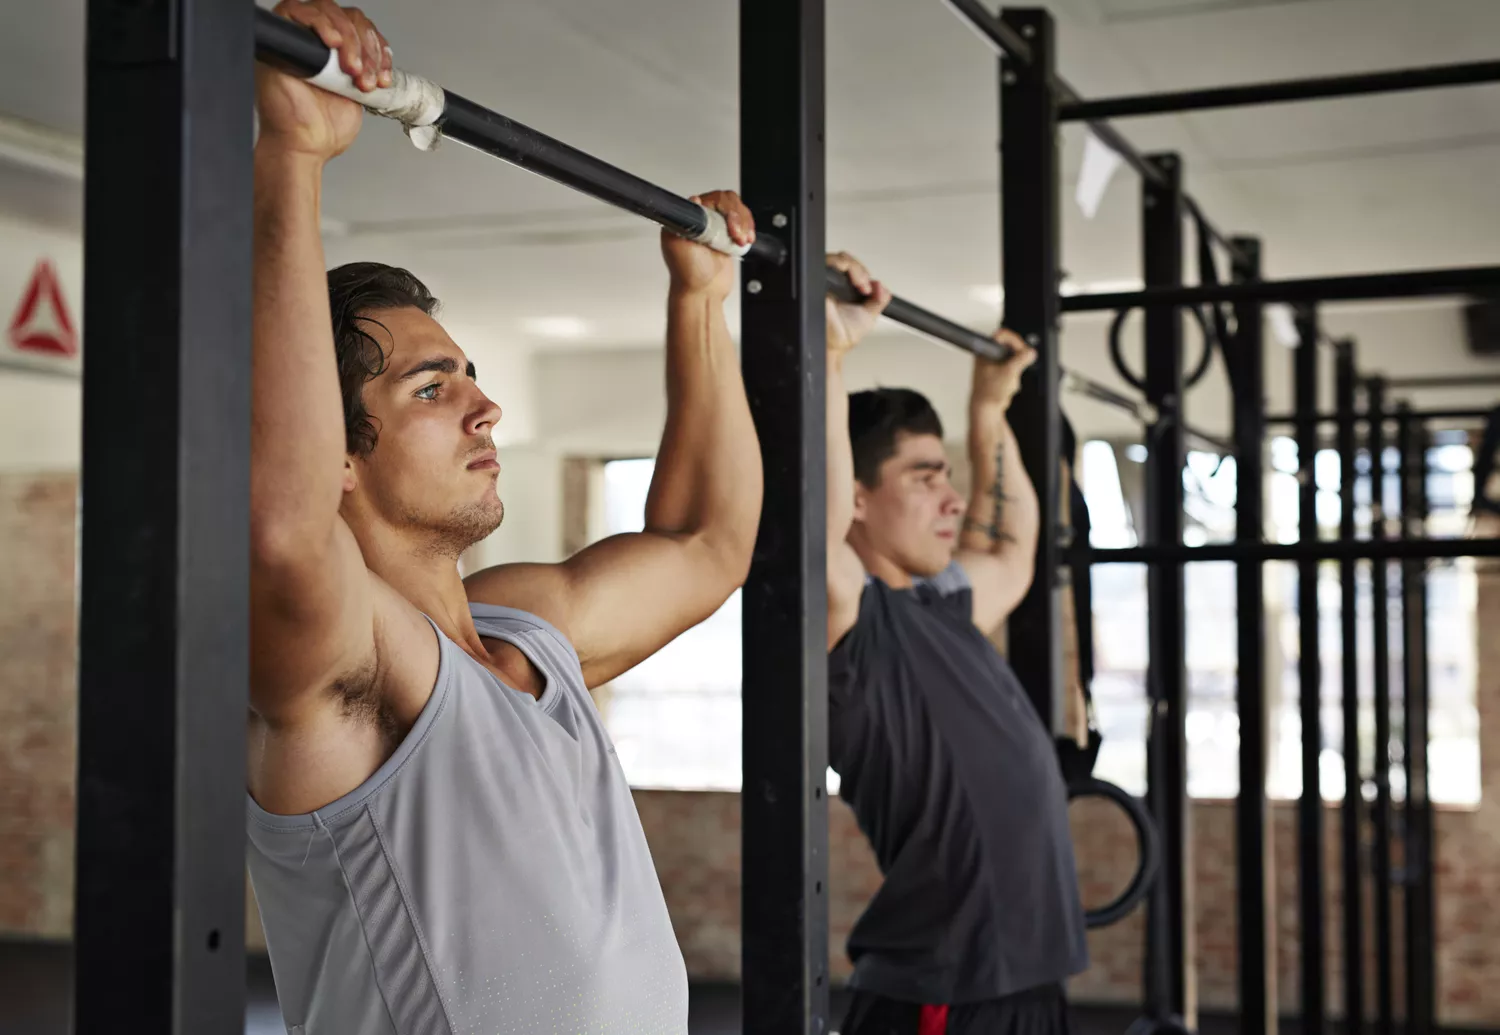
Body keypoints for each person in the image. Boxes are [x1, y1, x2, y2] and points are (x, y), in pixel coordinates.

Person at [246, 3, 761, 1031]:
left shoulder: (529, 629)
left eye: (471, 375)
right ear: (340, 453)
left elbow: (708, 543)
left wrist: (701, 302)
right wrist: (292, 160)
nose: (485, 407)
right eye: (432, 389)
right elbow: (283, 529)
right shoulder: (353, 668)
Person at [824, 253, 1089, 1034]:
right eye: (925, 478)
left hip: (1029, 980)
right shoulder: (853, 625)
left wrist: (989, 406)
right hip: (946, 991)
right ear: (857, 499)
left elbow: (1011, 544)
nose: (953, 499)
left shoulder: (942, 605)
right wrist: (828, 352)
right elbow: (812, 524)